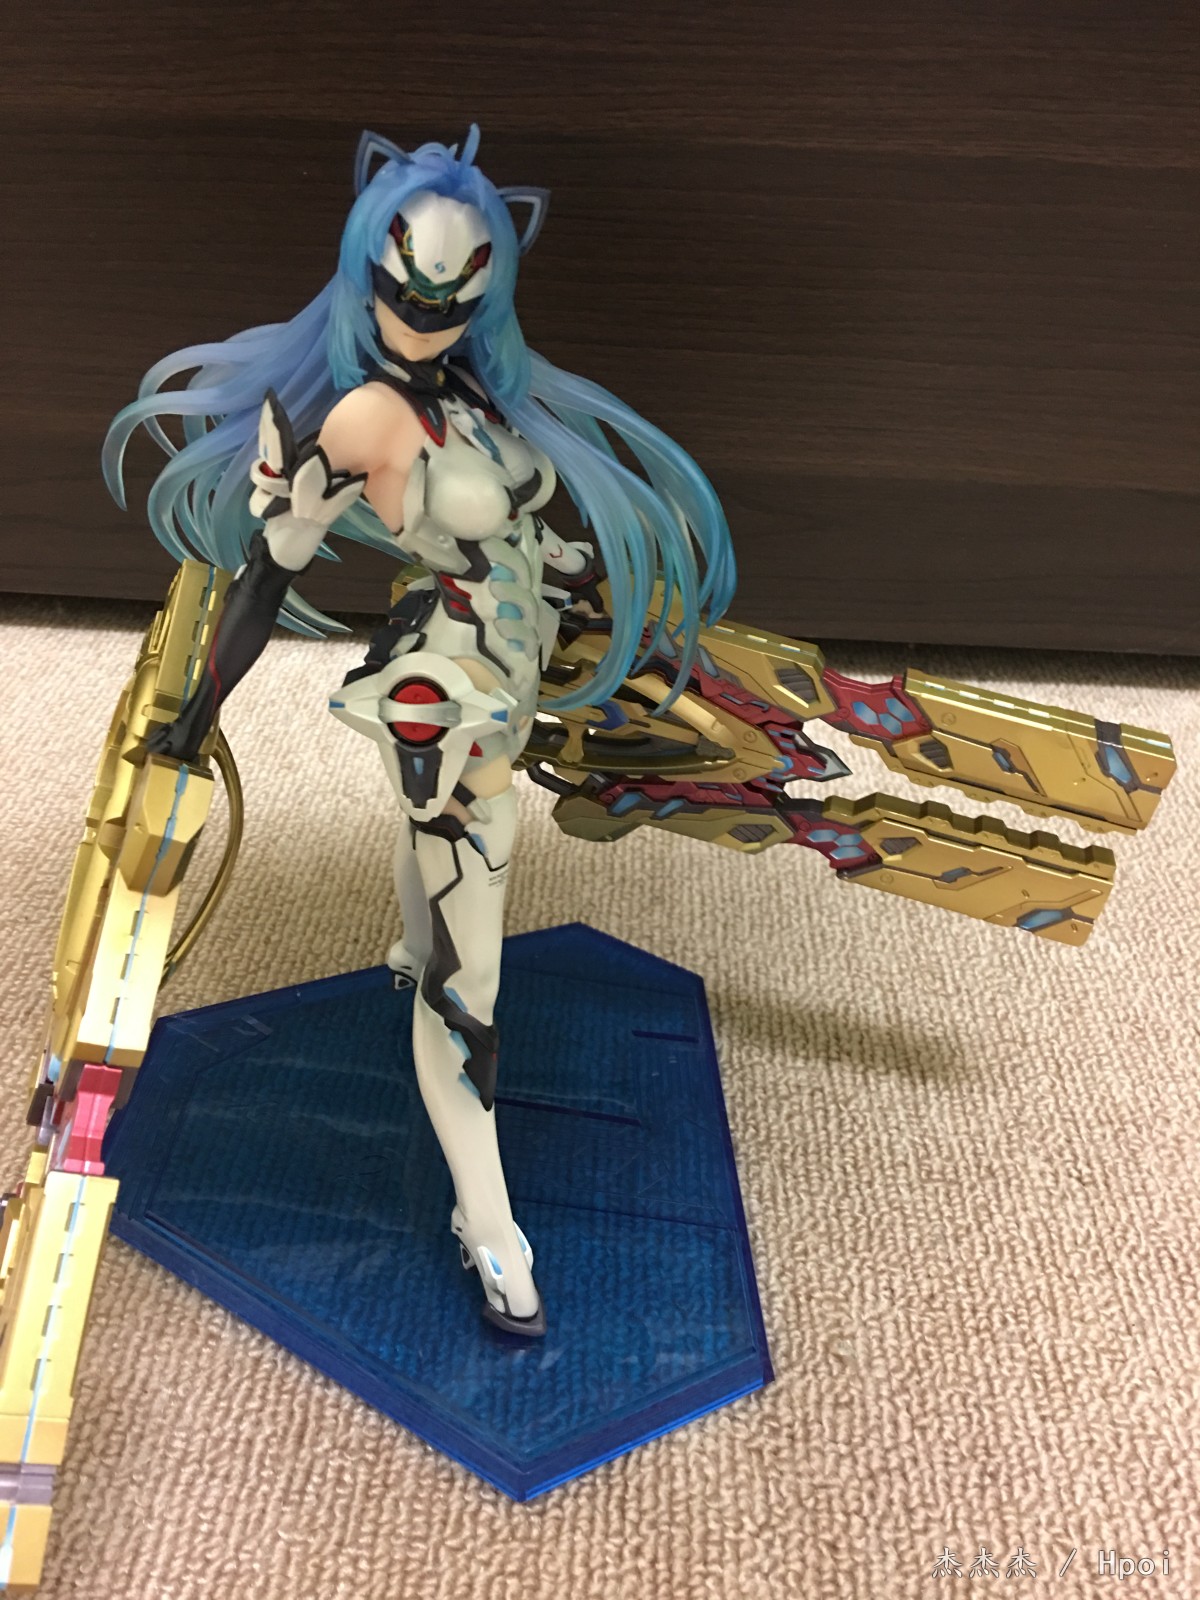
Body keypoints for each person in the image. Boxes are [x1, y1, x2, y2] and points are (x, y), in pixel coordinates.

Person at [103, 127, 737, 1336]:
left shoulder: (478, 396)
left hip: (515, 669)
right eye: (405, 295)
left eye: (452, 302)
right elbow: (265, 572)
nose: (424, 320)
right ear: (366, 273)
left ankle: (412, 946)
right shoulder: (366, 417)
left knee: (450, 906)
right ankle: (488, 1224)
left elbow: (531, 537)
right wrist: (194, 717)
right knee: (467, 990)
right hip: (453, 702)